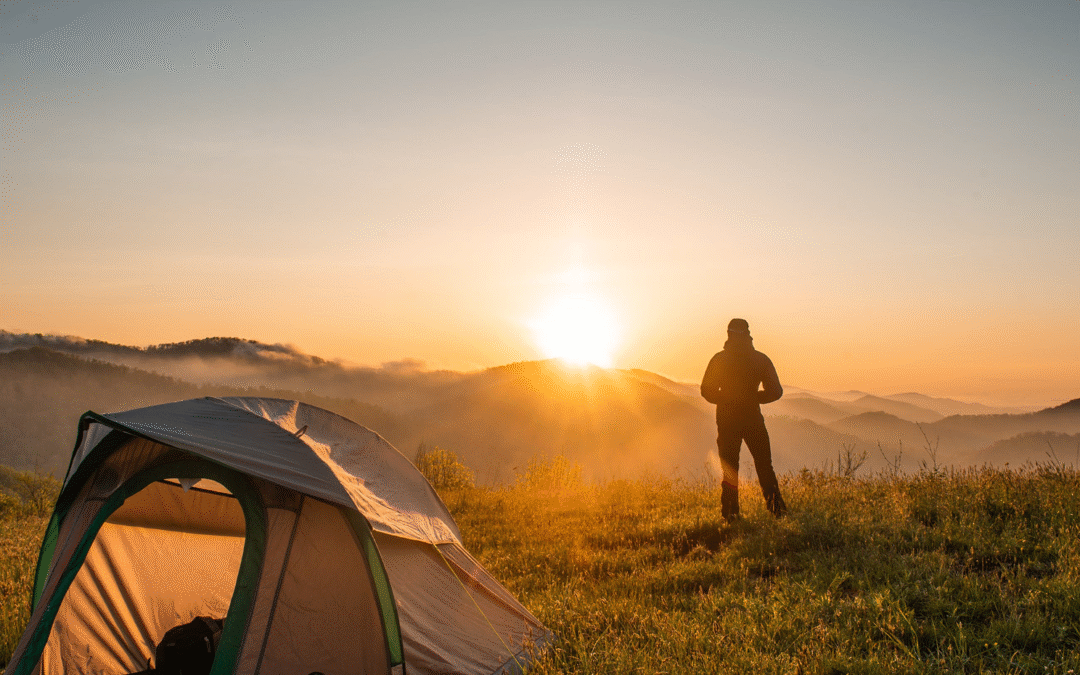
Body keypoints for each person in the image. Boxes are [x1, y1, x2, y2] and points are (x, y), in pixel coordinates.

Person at [700, 318, 787, 521]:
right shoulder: (760, 359)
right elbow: (776, 391)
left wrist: (726, 398)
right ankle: (777, 511)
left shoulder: (719, 359)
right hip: (753, 419)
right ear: (748, 334)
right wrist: (754, 397)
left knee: (730, 468)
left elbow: (707, 391)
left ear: (728, 334)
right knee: (765, 465)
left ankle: (731, 514)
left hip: (727, 420)